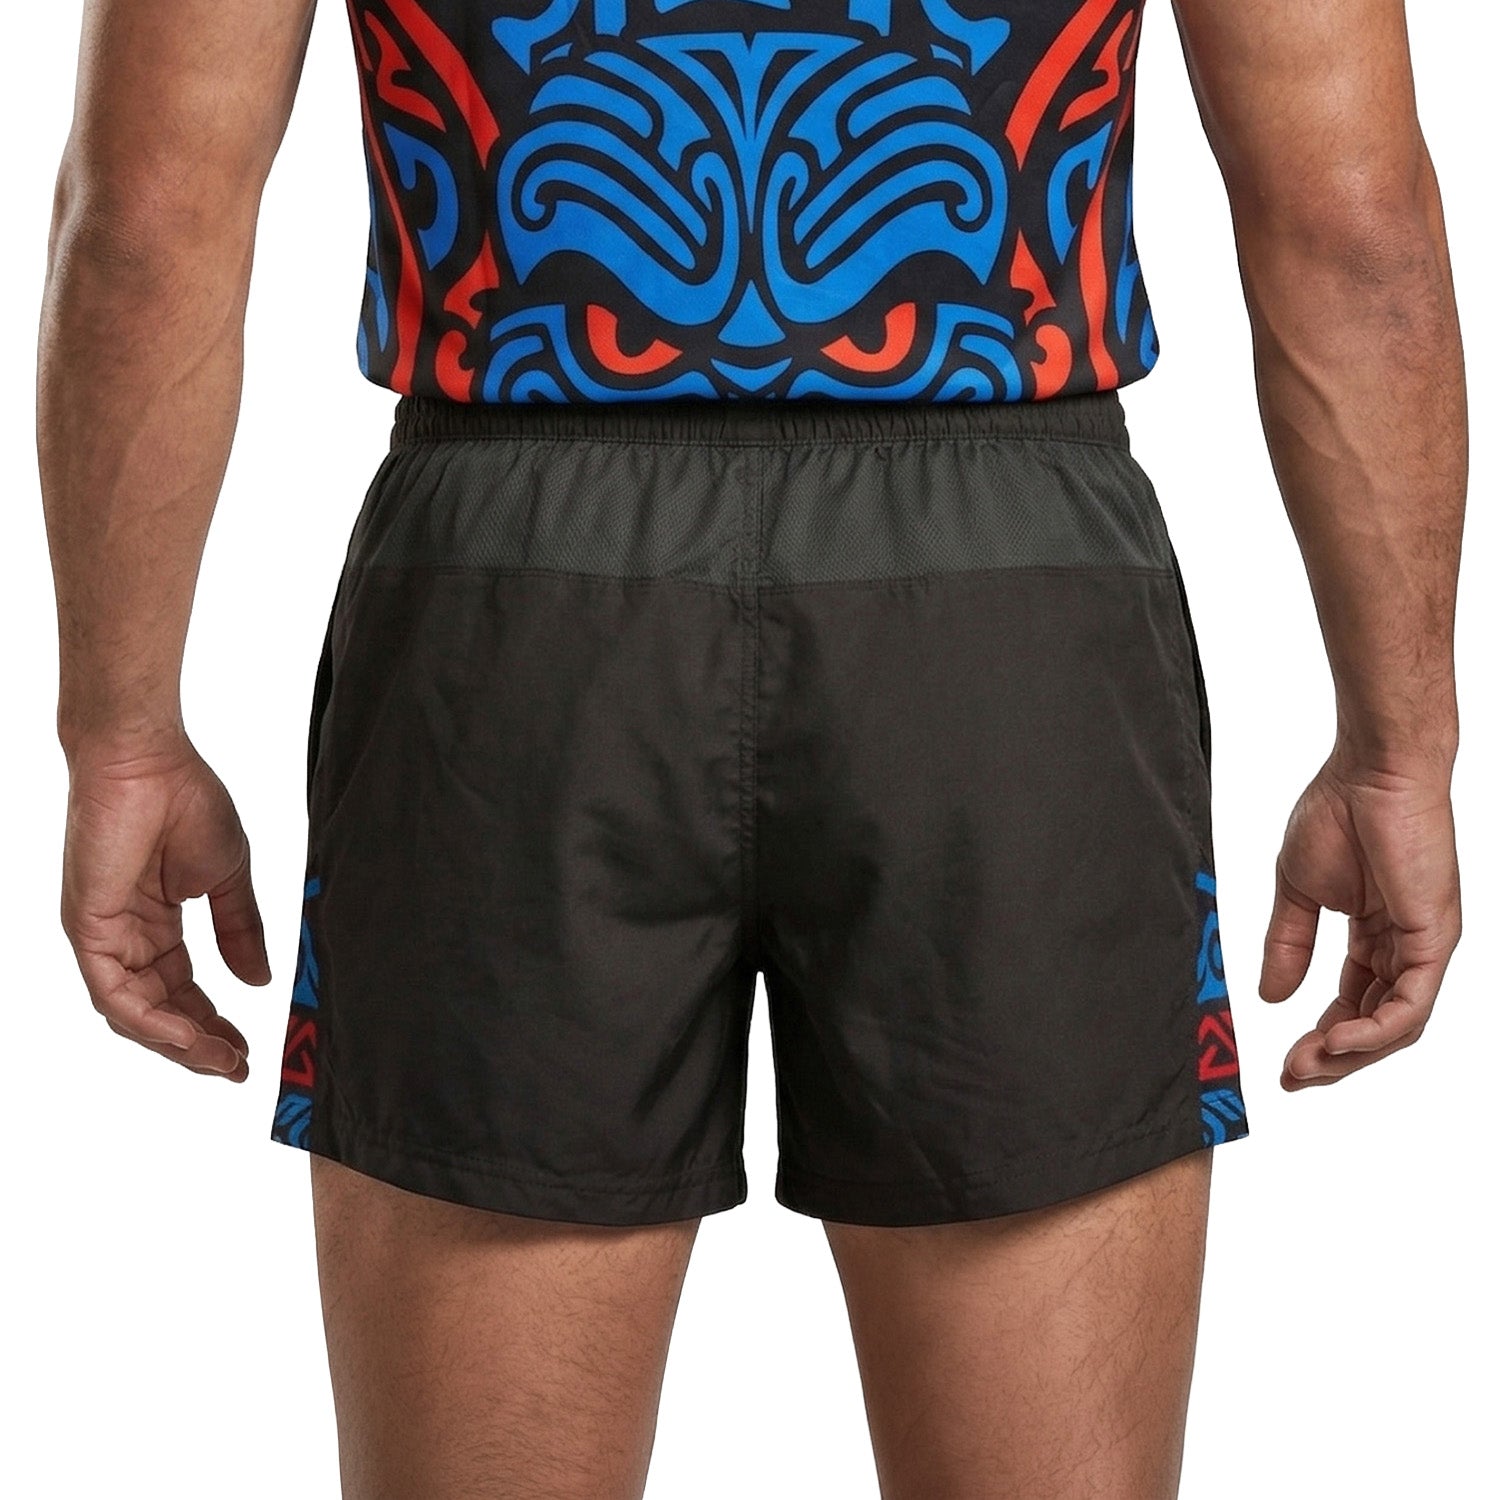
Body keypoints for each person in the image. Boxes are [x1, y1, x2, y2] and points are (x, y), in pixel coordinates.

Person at [36, 0, 1463, 1495]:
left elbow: (146, 222)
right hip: (1007, 603)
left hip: (514, 604)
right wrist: (1399, 747)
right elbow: (1354, 227)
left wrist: (120, 735)